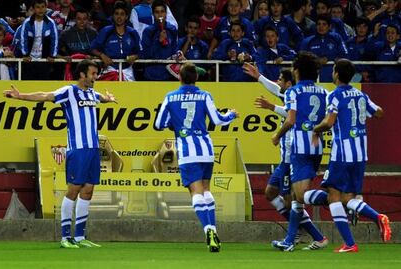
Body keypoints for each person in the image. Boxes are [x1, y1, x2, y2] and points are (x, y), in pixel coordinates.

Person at [3, 59, 117, 248]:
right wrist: (19, 96)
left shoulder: (91, 93)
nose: (96, 77)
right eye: (93, 74)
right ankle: (65, 237)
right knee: (73, 189)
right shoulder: (68, 91)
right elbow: (45, 96)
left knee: (88, 190)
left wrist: (108, 99)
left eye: (96, 74)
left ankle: (80, 236)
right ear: (82, 74)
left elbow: (100, 98)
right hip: (77, 149)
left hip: (93, 149)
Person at [307, 58, 391, 252]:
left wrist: (316, 130)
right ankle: (377, 218)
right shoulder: (360, 95)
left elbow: (329, 122)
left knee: (334, 197)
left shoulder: (334, 95)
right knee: (347, 198)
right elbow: (379, 113)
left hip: (342, 154)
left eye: (334, 69)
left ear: (336, 74)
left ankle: (351, 242)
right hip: (361, 154)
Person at [155, 62, 239, 252]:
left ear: (179, 77)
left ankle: (208, 230)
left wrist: (173, 123)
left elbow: (159, 123)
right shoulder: (205, 95)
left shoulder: (170, 97)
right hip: (206, 149)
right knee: (207, 190)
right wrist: (231, 114)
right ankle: (214, 231)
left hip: (187, 150)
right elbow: (218, 120)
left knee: (196, 193)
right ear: (197, 78)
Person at [243, 62, 328, 250]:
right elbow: (277, 90)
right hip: (289, 157)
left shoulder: (294, 95)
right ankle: (299, 232)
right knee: (271, 193)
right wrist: (259, 77)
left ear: (292, 79)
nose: (278, 82)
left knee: (294, 200)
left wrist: (272, 111)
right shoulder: (297, 95)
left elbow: (291, 117)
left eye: (281, 79)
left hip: (294, 156)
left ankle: (306, 235)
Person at [271, 51, 328, 252]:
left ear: (297, 71)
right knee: (297, 199)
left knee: (300, 196)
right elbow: (329, 121)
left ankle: (336, 200)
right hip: (317, 147)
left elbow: (291, 119)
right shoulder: (324, 92)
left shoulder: (293, 92)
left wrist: (278, 135)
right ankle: (293, 240)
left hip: (300, 149)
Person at [91, 1, 140, 81]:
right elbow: (93, 48)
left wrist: (135, 56)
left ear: (126, 16)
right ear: (113, 16)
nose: (119, 17)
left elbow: (140, 52)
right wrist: (102, 55)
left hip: (128, 72)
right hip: (109, 70)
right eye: (116, 14)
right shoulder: (106, 31)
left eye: (122, 14)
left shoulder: (132, 33)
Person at [19, 0, 58, 80]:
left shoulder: (51, 23)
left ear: (46, 8)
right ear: (33, 9)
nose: (40, 9)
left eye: (43, 7)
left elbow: (55, 39)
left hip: (44, 60)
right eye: (38, 7)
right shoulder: (27, 23)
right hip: (29, 59)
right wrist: (25, 55)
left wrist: (52, 55)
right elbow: (23, 39)